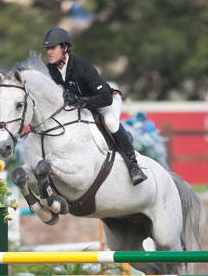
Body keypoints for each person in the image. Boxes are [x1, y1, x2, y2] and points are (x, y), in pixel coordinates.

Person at [40, 27, 147, 185]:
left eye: (53, 48)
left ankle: (133, 165)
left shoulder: (83, 67)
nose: (49, 52)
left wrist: (81, 100)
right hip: (82, 106)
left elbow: (105, 98)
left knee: (110, 121)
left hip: (105, 101)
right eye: (47, 48)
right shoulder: (50, 70)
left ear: (65, 48)